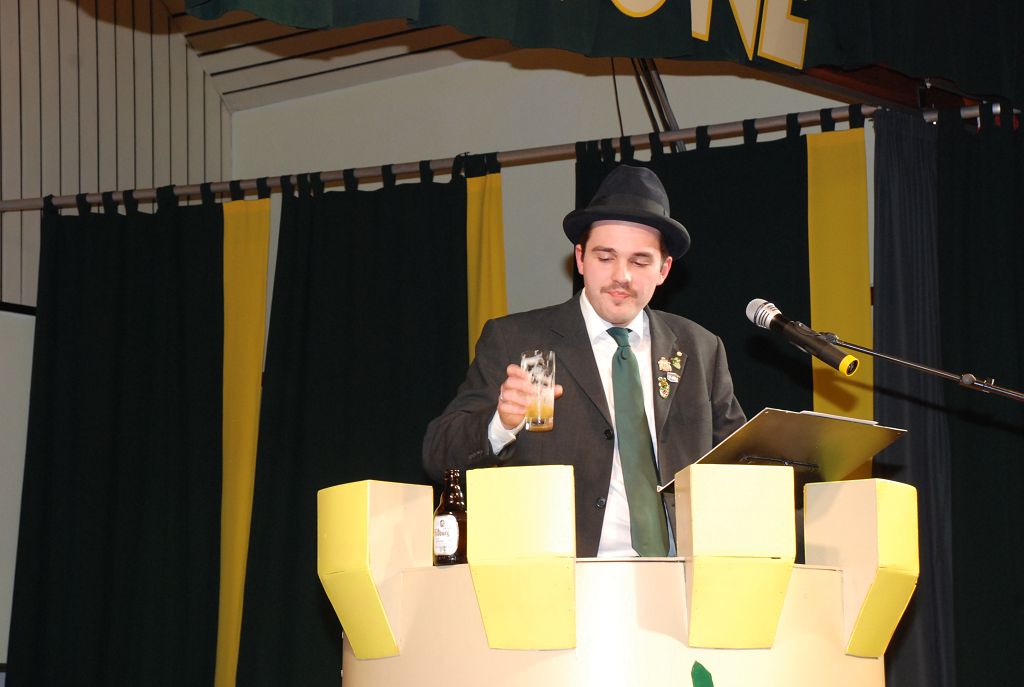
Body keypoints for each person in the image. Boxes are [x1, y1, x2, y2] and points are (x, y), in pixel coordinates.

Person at [422, 165, 745, 557]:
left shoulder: (700, 348)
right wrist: (500, 424)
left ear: (664, 269)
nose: (622, 276)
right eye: (605, 257)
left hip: (681, 570)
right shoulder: (517, 339)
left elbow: (741, 462)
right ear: (580, 258)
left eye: (640, 261)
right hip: (560, 572)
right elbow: (439, 455)